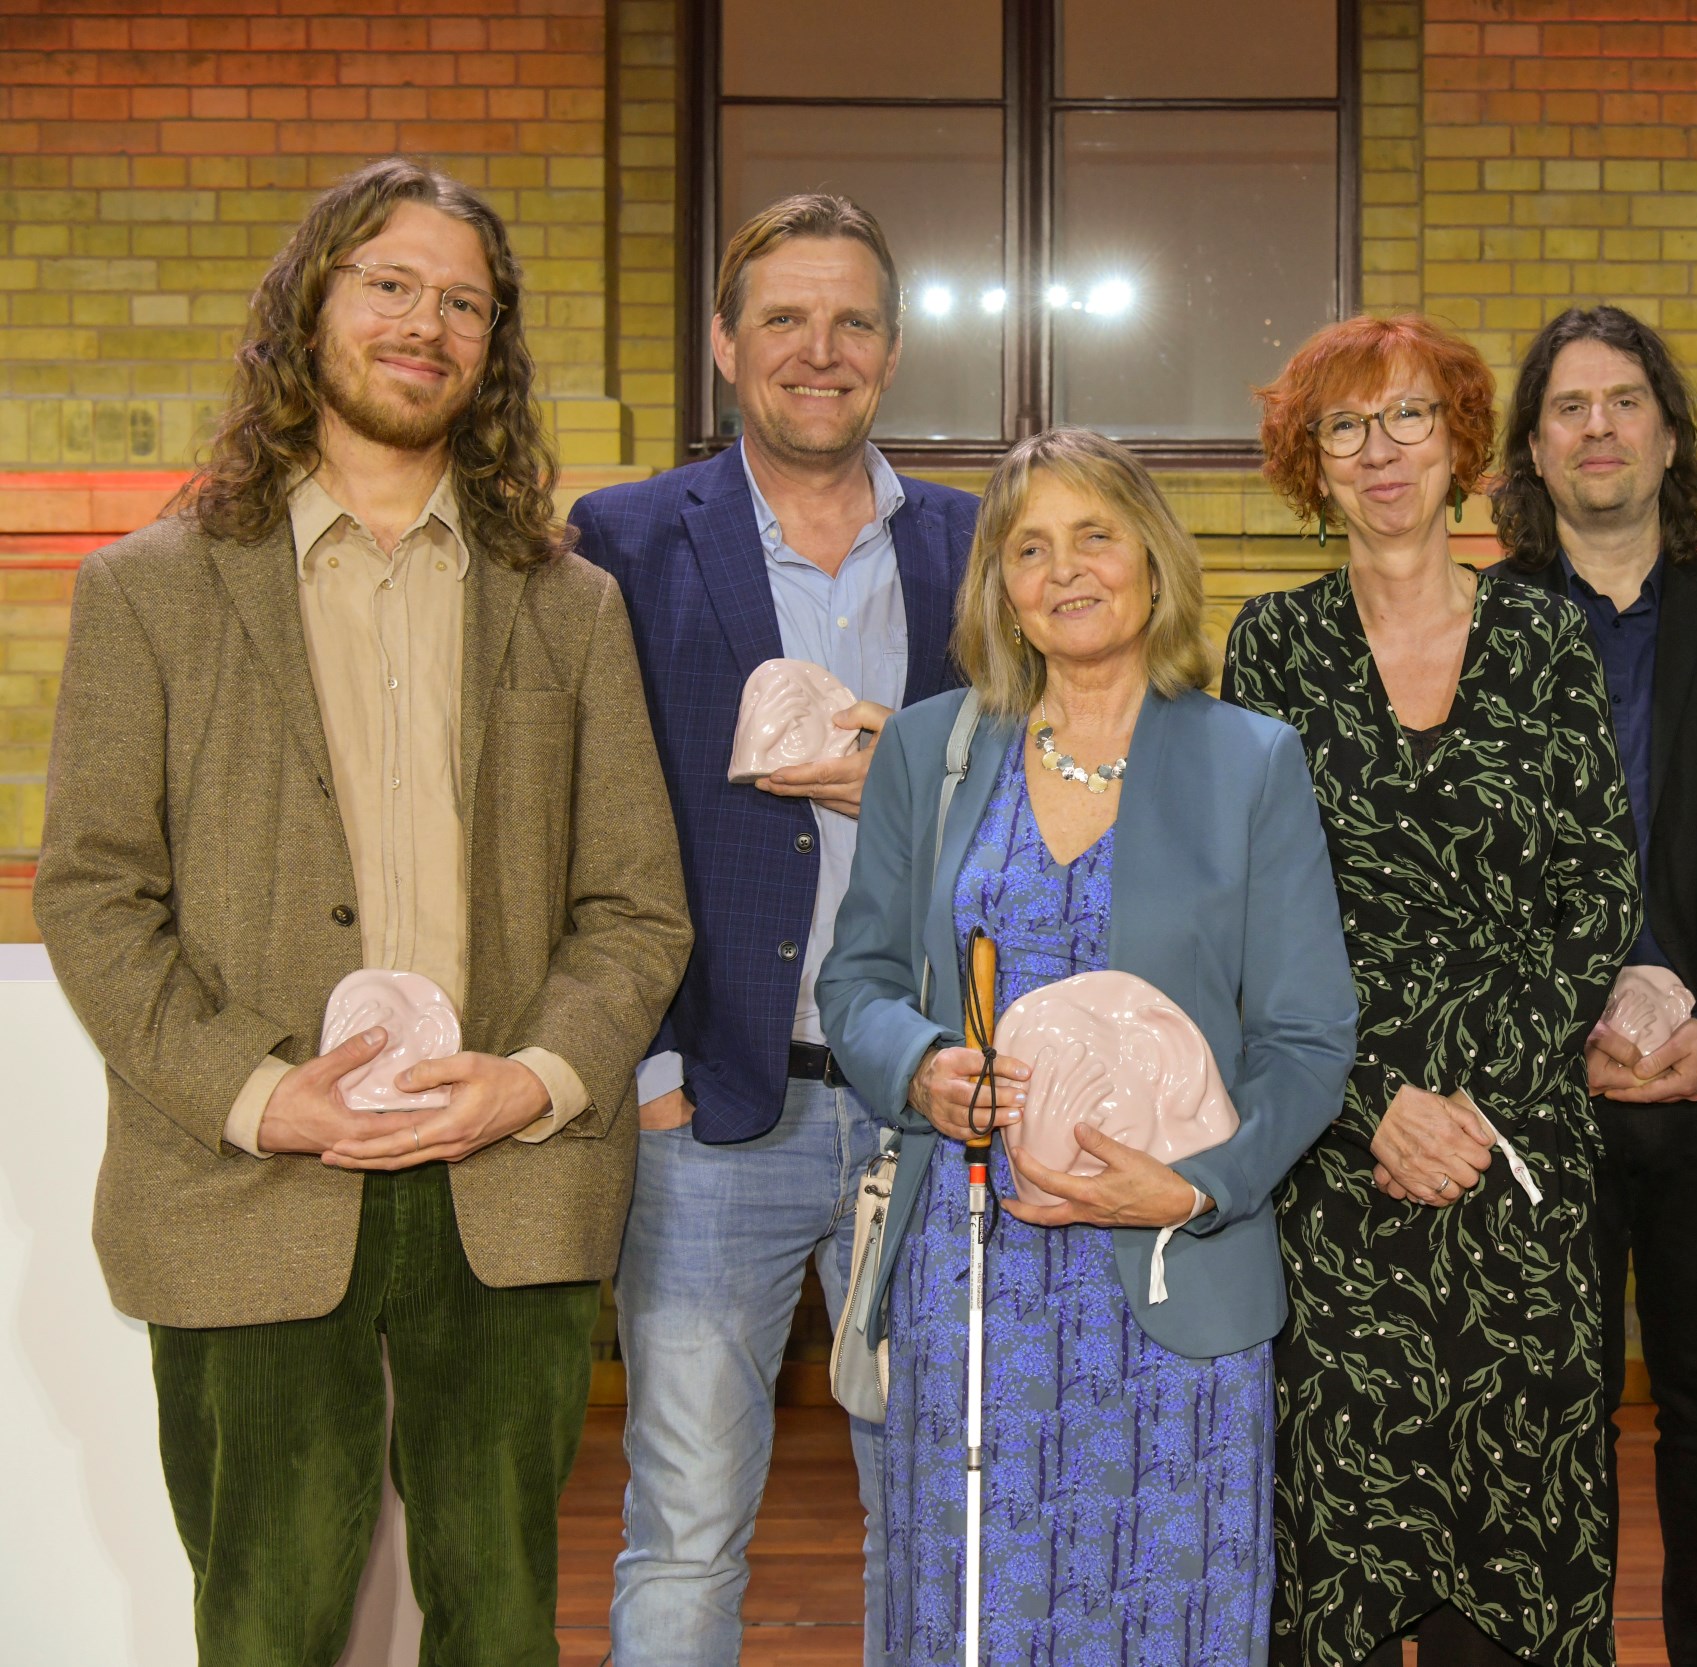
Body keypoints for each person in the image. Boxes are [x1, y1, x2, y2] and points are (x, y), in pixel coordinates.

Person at [32, 158, 692, 1661]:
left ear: (494, 345)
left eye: (465, 300)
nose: (426, 321)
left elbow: (637, 905)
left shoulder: (568, 601)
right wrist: (267, 1097)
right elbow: (93, 892)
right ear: (311, 305)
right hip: (250, 1188)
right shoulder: (153, 590)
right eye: (390, 282)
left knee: (500, 1623)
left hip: (510, 1185)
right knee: (262, 1624)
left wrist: (535, 1074)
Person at [818, 427, 1358, 1667]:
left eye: (1093, 536)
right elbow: (854, 980)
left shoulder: (1249, 760)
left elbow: (1307, 1035)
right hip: (973, 1279)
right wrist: (917, 1064)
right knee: (970, 1620)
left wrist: (1196, 1186)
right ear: (998, 585)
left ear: (1153, 560)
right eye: (1028, 548)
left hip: (1173, 1270)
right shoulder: (930, 751)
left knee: (1167, 1622)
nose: (1064, 570)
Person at [570, 194, 975, 1666]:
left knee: (927, 1509)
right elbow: (576, 817)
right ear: (729, 343)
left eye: (854, 319)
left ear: (893, 346)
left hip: (921, 1105)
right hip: (708, 1109)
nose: (823, 349)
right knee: (683, 1524)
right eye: (787, 319)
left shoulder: (974, 547)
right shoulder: (618, 538)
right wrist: (645, 1067)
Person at [1227, 314, 1643, 1667]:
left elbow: (1596, 895)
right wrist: (1374, 1103)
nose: (1381, 449)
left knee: (1516, 1545)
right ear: (1312, 463)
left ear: (1460, 442)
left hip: (1516, 1160)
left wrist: (1468, 1096)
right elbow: (1249, 926)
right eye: (1345, 426)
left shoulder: (1545, 635)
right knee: (1336, 1544)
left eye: (1409, 416)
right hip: (1337, 1172)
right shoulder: (1272, 650)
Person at [1483, 303, 1697, 1667]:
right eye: (1569, 406)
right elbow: (1456, 885)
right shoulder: (1477, 619)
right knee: (1536, 1409)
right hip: (1532, 1101)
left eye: (1625, 402)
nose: (1599, 426)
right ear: (1533, 449)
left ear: (1670, 437)